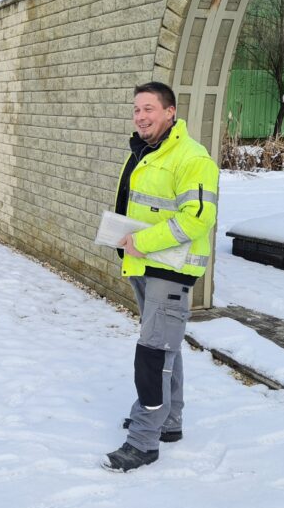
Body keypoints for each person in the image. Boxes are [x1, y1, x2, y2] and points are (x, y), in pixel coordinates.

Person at [102, 82, 219, 472]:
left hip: (170, 269)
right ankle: (169, 421)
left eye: (149, 109)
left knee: (152, 354)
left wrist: (144, 240)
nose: (140, 116)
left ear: (170, 112)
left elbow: (197, 218)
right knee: (166, 347)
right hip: (144, 265)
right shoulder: (146, 152)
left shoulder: (192, 157)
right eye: (136, 109)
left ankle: (143, 440)